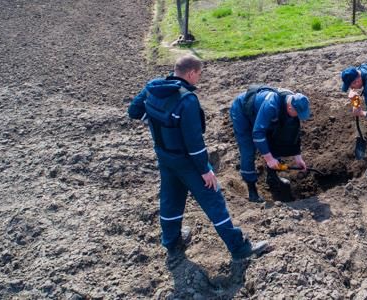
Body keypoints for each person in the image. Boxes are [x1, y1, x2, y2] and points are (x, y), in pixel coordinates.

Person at [127, 55, 269, 265]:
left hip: (164, 157)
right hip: (187, 161)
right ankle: (239, 248)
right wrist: (205, 170)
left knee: (170, 198)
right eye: (199, 74)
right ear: (191, 73)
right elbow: (194, 142)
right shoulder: (187, 100)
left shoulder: (152, 88)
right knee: (214, 200)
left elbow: (134, 111)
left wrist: (158, 125)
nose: (199, 79)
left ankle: (172, 242)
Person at [230, 85, 311, 202]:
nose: (298, 116)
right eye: (298, 113)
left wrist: (298, 157)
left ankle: (272, 178)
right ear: (290, 108)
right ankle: (252, 191)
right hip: (242, 112)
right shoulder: (271, 105)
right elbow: (257, 133)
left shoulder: (293, 102)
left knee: (276, 140)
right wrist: (269, 159)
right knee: (248, 149)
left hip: (261, 113)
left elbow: (293, 131)